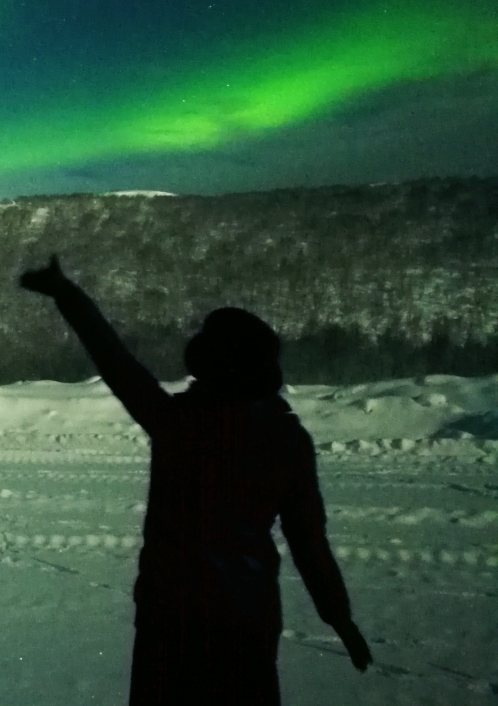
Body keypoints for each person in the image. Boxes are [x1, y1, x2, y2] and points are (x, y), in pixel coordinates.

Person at [19, 255, 371, 706]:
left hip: (169, 617)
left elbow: (114, 359)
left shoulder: (177, 422)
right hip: (248, 619)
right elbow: (309, 542)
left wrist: (67, 294)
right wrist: (338, 617)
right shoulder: (288, 439)